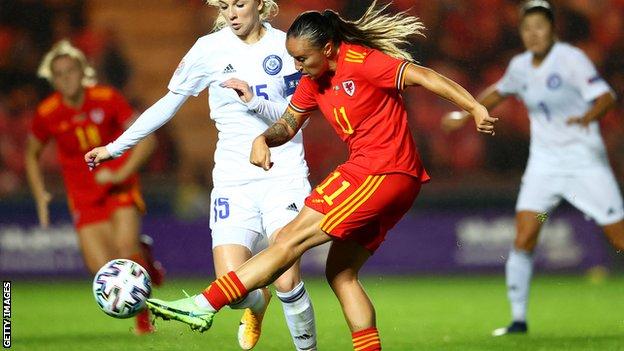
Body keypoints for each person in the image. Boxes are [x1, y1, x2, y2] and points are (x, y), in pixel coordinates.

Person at [131, 2, 497, 350]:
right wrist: (263, 138)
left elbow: (426, 76)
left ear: (329, 48)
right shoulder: (312, 79)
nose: (297, 65)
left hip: (379, 170)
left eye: (303, 58)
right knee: (340, 273)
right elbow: (288, 124)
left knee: (290, 238)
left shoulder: (364, 62)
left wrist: (474, 106)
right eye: (293, 58)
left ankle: (204, 305)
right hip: (395, 178)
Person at [84, 1, 318, 350]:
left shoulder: (286, 47)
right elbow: (167, 103)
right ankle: (257, 303)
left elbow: (302, 114)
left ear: (259, 3)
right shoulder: (208, 50)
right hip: (232, 181)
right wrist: (116, 147)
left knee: (287, 280)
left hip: (282, 175)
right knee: (232, 288)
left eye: (239, 4)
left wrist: (254, 101)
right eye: (224, 6)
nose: (232, 13)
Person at [441, 0, 624, 336]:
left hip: (585, 166)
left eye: (540, 26)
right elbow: (499, 92)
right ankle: (518, 320)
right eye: (527, 28)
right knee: (527, 233)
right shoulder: (521, 66)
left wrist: (588, 116)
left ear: (552, 29)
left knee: (619, 238)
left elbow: (606, 97)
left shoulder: (571, 60)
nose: (534, 33)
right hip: (544, 170)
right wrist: (466, 114)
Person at [24, 40, 164, 334]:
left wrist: (119, 173)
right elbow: (31, 154)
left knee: (125, 251)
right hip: (84, 197)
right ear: (53, 80)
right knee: (101, 269)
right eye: (59, 74)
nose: (66, 78)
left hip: (118, 187)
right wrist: (40, 195)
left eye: (71, 71)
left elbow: (147, 139)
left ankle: (142, 319)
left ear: (83, 71)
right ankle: (147, 261)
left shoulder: (106, 97)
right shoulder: (48, 112)